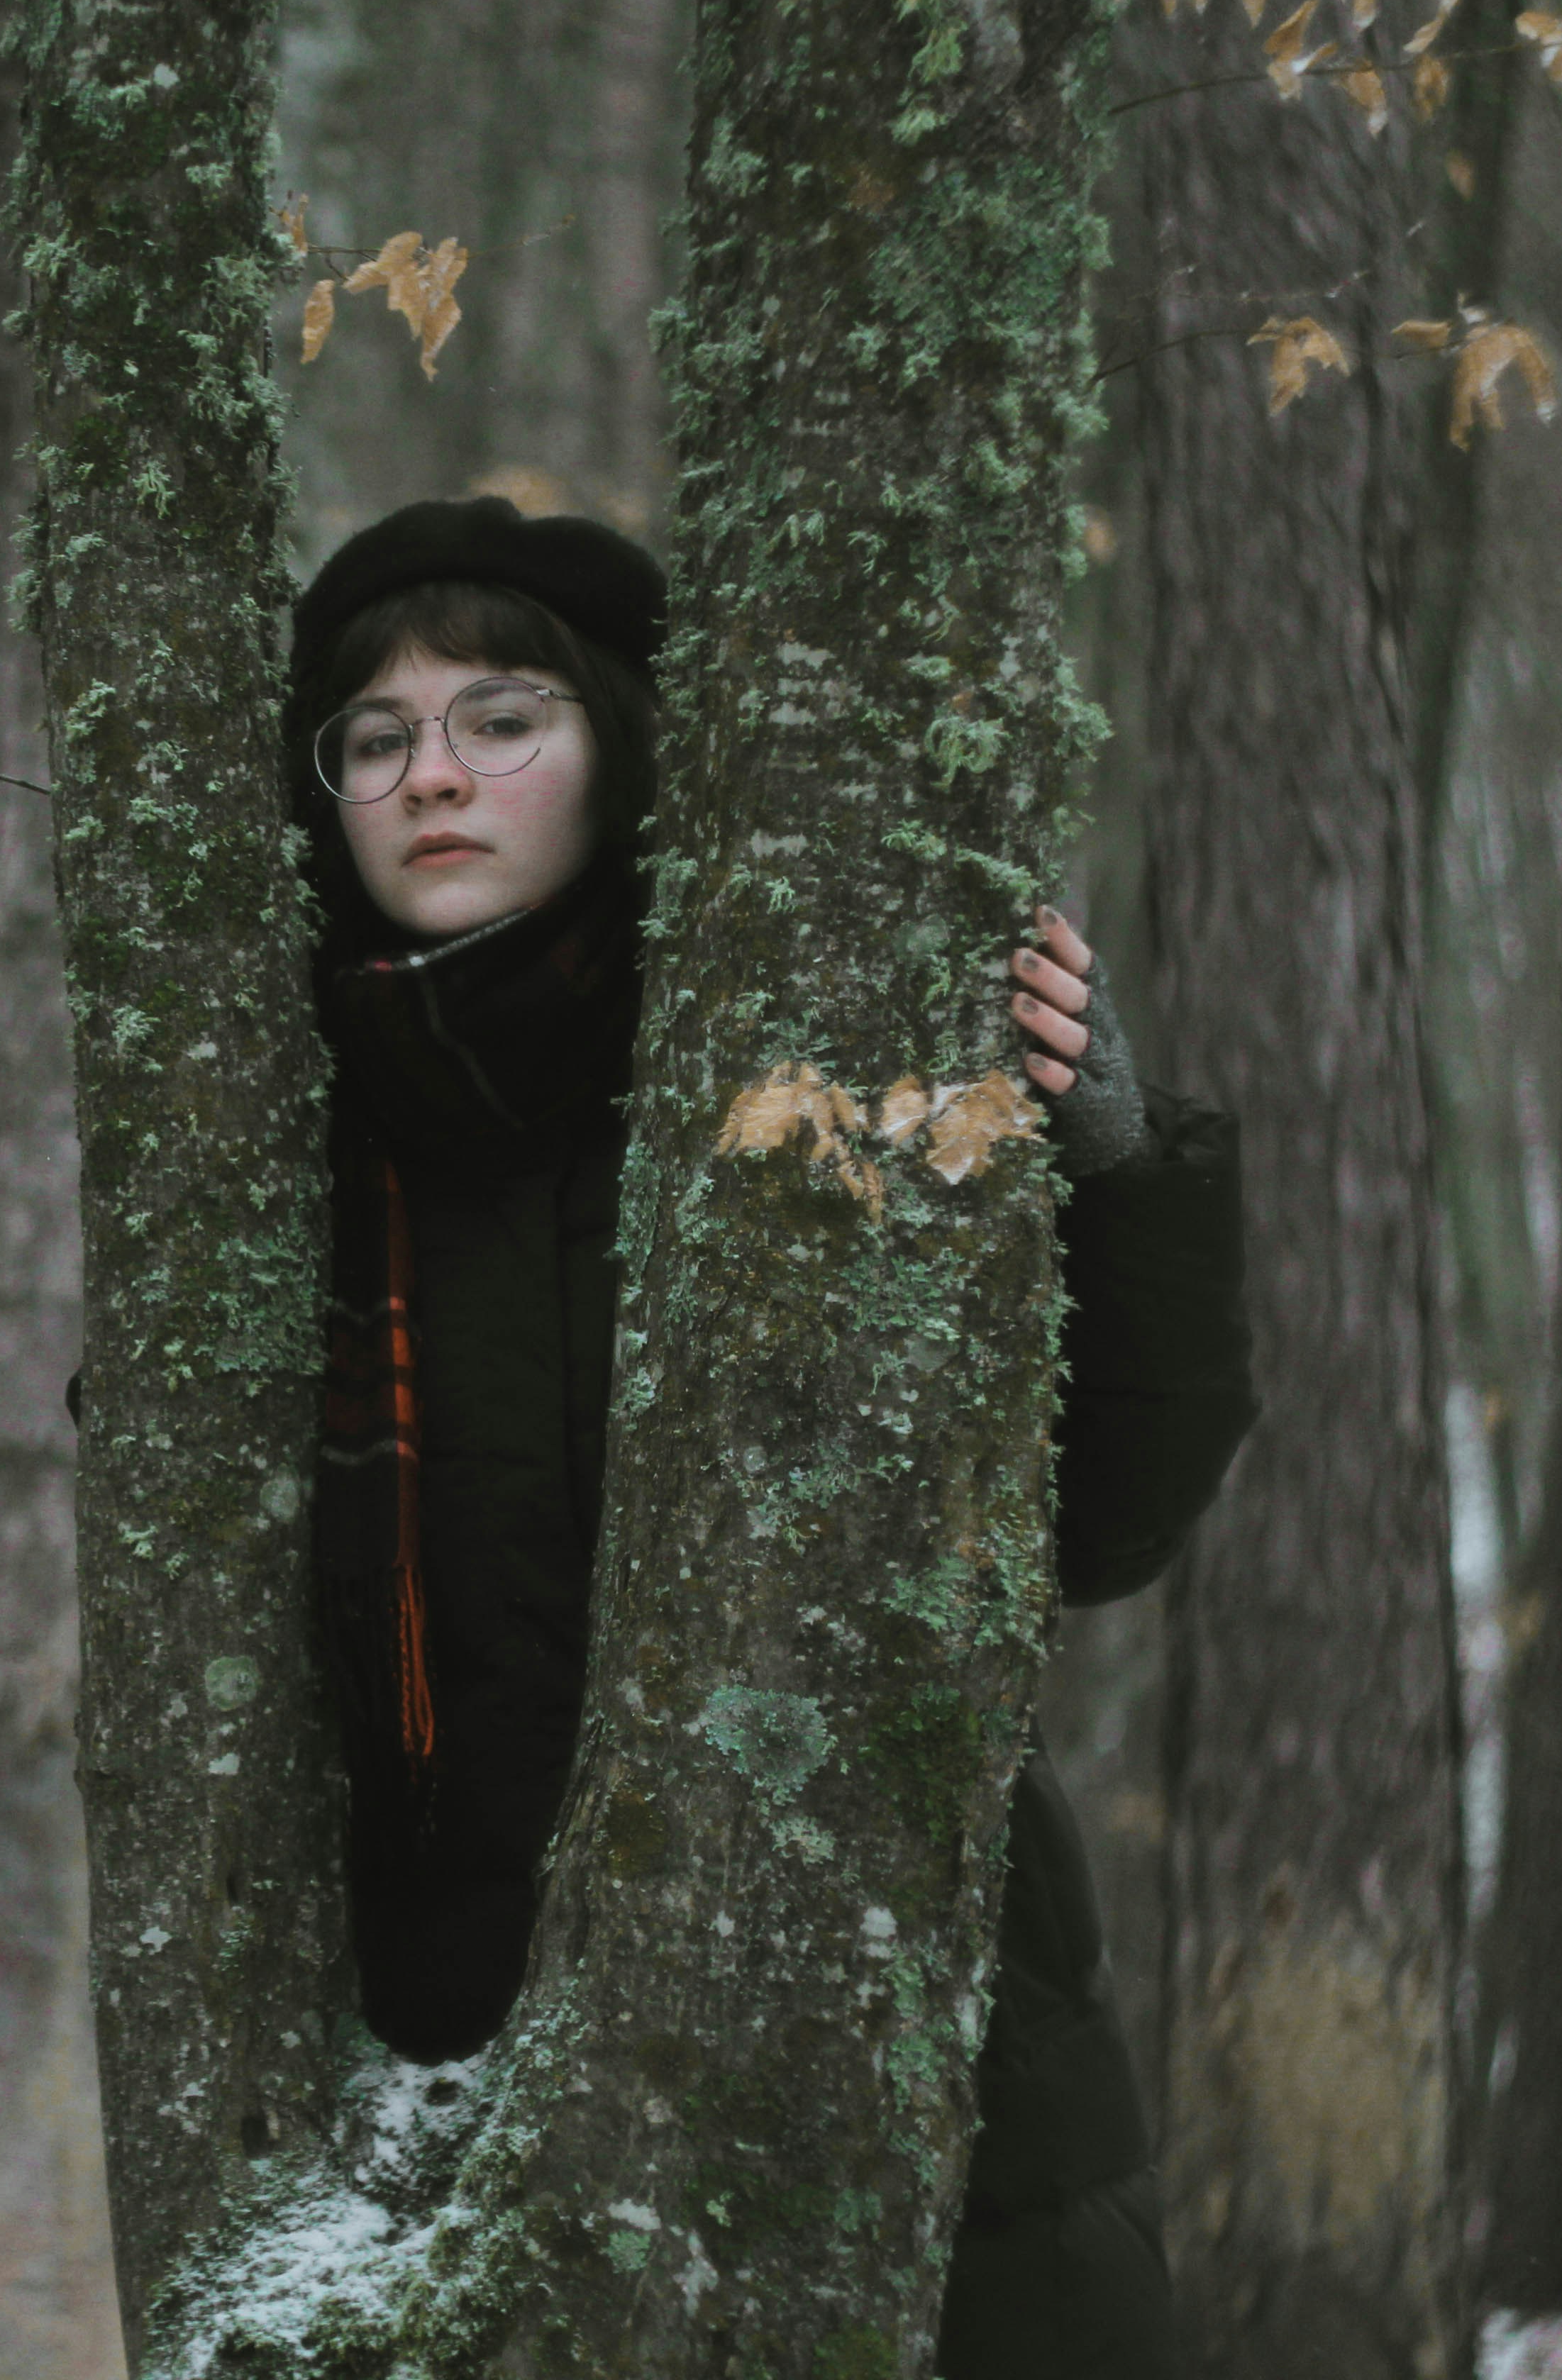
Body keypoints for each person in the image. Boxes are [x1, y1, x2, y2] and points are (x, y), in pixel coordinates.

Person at [292, 498, 1256, 2378]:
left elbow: (1108, 1520)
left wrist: (1114, 1159)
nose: (434, 778)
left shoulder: (785, 1070)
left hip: (922, 2046)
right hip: (459, 2086)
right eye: (378, 738)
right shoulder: (295, 1141)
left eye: (502, 717)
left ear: (620, 746)